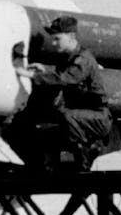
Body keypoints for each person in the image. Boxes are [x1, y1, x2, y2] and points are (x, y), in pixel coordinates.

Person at [12, 15, 112, 172]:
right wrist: (44, 68)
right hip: (82, 116)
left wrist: (31, 75)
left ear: (71, 37)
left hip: (97, 117)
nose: (53, 42)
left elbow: (67, 77)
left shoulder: (83, 58)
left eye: (57, 38)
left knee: (67, 117)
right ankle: (58, 164)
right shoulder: (69, 58)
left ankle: (83, 165)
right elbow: (61, 71)